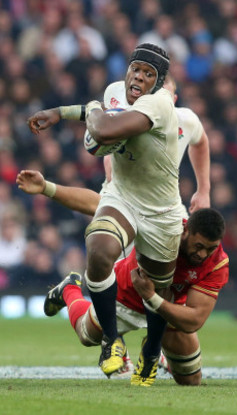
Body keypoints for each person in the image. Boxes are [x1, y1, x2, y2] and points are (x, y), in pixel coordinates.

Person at [27, 43, 183, 385]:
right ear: (126, 69)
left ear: (158, 84)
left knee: (156, 288)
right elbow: (98, 112)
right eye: (136, 69)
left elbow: (103, 130)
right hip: (122, 196)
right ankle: (112, 342)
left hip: (161, 210)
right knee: (99, 249)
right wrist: (59, 112)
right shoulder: (114, 93)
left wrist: (93, 112)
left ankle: (152, 351)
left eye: (149, 74)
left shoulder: (157, 104)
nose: (139, 77)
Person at [47, 208, 228, 386]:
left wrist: (152, 298)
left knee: (190, 380)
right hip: (125, 295)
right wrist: (48, 188)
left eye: (210, 248)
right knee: (86, 337)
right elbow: (106, 207)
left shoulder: (217, 263)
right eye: (199, 246)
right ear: (186, 231)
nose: (203, 254)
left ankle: (155, 345)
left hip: (167, 310)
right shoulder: (164, 230)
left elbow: (195, 319)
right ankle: (69, 289)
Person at [103, 76, 210, 214]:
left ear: (175, 100)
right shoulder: (130, 121)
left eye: (165, 98)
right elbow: (109, 161)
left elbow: (201, 143)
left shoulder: (187, 120)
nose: (160, 104)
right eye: (156, 98)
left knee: (200, 234)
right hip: (123, 202)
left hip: (165, 206)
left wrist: (203, 191)